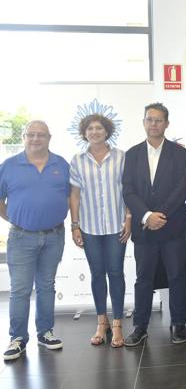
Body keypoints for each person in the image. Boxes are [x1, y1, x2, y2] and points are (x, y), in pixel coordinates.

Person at [122, 103, 186, 346]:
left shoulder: (179, 153)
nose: (154, 124)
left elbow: (182, 187)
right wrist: (145, 216)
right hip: (144, 228)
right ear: (143, 122)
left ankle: (179, 324)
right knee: (144, 279)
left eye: (159, 120)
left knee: (177, 277)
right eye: (150, 119)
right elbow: (128, 190)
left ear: (167, 124)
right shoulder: (131, 154)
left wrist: (159, 215)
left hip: (172, 226)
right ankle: (140, 326)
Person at [0, 121, 69, 361]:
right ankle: (18, 338)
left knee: (46, 286)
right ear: (24, 137)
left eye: (41, 135)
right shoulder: (9, 166)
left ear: (49, 138)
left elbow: (71, 196)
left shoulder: (61, 164)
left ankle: (45, 332)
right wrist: (18, 218)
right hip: (21, 237)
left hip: (54, 236)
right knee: (20, 290)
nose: (36, 139)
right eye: (31, 134)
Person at [69, 114, 131, 347]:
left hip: (116, 225)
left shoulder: (121, 157)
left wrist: (129, 218)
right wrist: (75, 225)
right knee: (97, 274)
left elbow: (128, 190)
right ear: (84, 133)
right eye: (90, 129)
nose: (94, 132)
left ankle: (117, 324)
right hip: (90, 227)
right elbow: (74, 195)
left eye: (99, 128)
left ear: (107, 132)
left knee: (116, 273)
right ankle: (101, 322)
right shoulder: (77, 160)